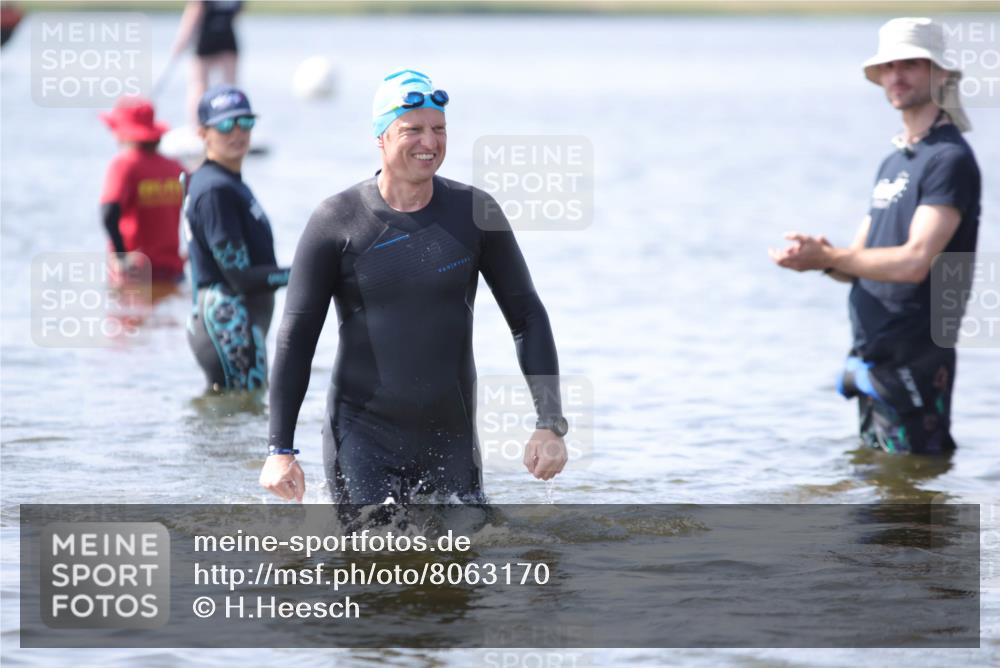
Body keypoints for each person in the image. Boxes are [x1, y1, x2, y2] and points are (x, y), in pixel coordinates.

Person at [259, 69, 569, 504]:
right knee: (371, 566)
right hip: (363, 440)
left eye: (439, 129)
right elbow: (296, 339)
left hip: (451, 440)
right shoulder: (336, 221)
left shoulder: (476, 212)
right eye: (413, 130)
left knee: (464, 560)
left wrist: (549, 423)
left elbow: (528, 317)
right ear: (381, 137)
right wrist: (280, 451)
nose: (430, 142)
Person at [769, 18, 981, 455]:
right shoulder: (893, 161)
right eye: (889, 66)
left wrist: (833, 256)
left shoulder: (948, 159)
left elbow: (913, 262)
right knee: (880, 497)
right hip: (874, 358)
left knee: (914, 496)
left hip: (918, 359)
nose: (897, 76)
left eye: (911, 64)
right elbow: (859, 262)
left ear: (939, 74)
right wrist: (821, 257)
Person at [184, 85, 289, 392]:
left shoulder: (226, 182)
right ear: (203, 133)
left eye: (245, 122)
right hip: (226, 323)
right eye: (226, 125)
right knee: (239, 412)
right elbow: (239, 277)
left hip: (232, 320)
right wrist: (303, 273)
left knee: (239, 421)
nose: (237, 132)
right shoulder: (216, 190)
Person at [99, 97, 186, 285]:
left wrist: (121, 257)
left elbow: (109, 212)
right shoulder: (175, 168)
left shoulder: (124, 165)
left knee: (127, 314)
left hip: (134, 272)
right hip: (171, 269)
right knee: (167, 314)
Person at [170, 1, 243, 127]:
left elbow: (194, 13)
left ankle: (197, 125)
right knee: (229, 87)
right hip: (227, 37)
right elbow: (238, 11)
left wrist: (181, 42)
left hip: (206, 38)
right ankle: (229, 123)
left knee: (198, 85)